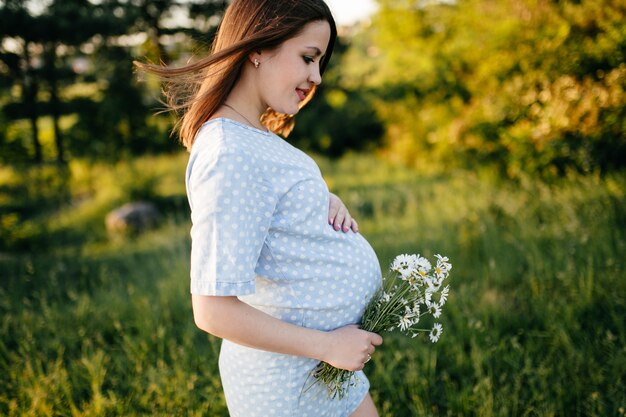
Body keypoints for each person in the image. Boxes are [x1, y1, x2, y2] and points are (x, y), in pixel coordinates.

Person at [136, 1, 383, 415]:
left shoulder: (253, 135)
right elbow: (212, 310)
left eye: (319, 63)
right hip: (288, 387)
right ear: (257, 47)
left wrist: (320, 199)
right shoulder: (228, 151)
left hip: (322, 371)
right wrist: (328, 345)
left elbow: (271, 208)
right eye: (308, 58)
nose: (316, 77)